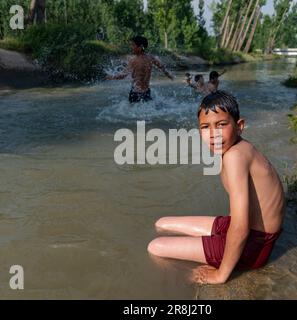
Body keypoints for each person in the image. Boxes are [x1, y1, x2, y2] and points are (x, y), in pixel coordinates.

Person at [147, 91, 285, 285]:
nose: (213, 134)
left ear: (240, 126)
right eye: (206, 127)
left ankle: (182, 282)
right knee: (162, 223)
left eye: (221, 124)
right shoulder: (238, 149)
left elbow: (240, 227)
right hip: (251, 233)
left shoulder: (235, 157)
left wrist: (221, 274)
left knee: (155, 247)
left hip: (254, 246)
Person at [106, 36, 173, 103]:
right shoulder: (151, 58)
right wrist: (169, 75)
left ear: (140, 47)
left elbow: (122, 76)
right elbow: (162, 67)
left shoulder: (134, 61)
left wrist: (111, 77)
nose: (131, 47)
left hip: (135, 93)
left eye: (133, 45)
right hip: (147, 93)